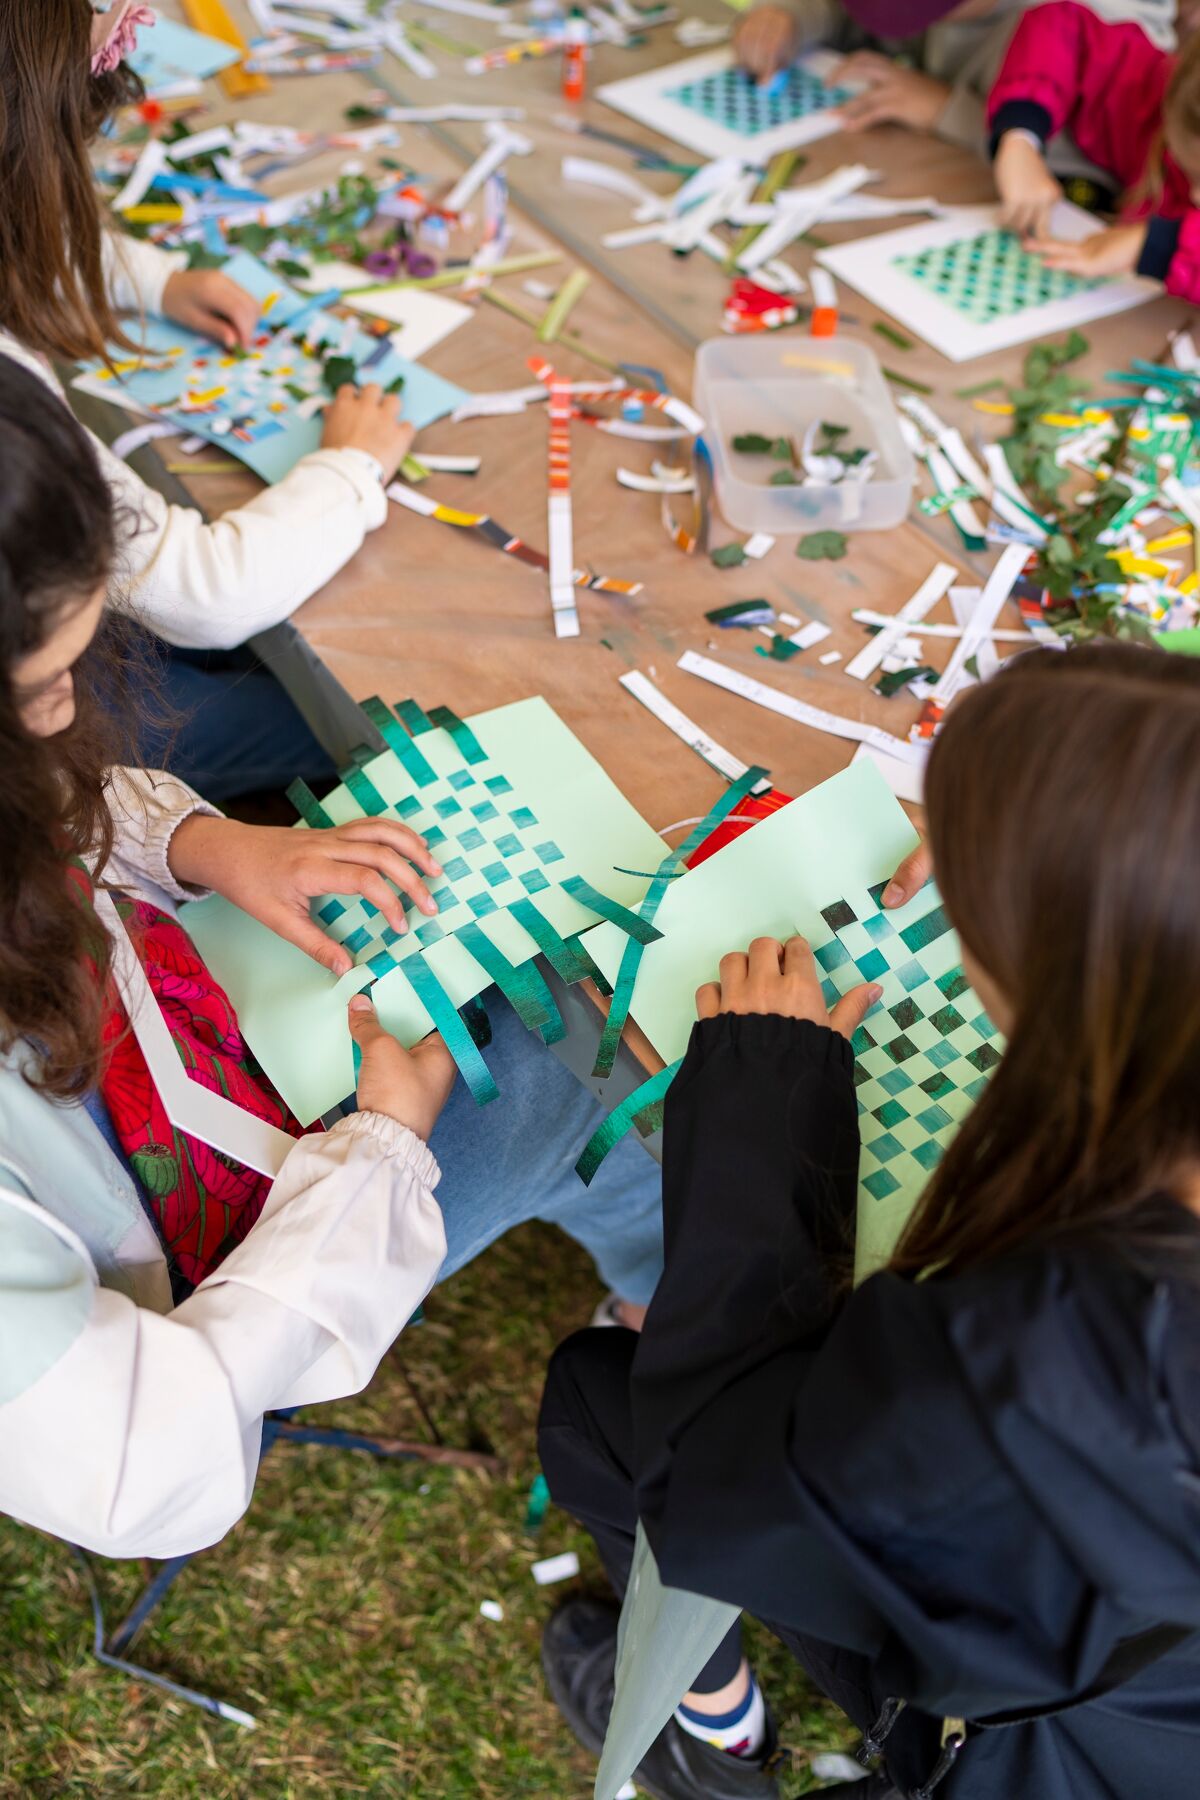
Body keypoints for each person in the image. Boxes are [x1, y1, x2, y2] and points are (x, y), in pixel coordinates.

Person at [0, 357, 664, 1554]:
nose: (63, 719)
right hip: (200, 1280)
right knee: (586, 1054)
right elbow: (152, 1467)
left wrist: (205, 844)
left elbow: (50, 797)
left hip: (153, 1055)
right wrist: (383, 1153)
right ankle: (661, 1294)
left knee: (520, 983)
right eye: (44, 684)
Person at [537, 643, 1200, 1800]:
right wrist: (1054, 855)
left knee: (603, 1405)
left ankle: (714, 1739)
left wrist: (765, 1086)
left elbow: (712, 1484)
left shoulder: (1062, 1357)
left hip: (1044, 1744)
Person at [0, 0, 414, 801]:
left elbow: (20, 222)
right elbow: (208, 594)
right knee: (327, 718)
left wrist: (154, 280)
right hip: (40, 717)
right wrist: (350, 470)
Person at [734, 0, 1174, 180]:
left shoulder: (1105, 22)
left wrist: (947, 110)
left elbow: (1117, 169)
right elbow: (859, 15)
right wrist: (793, 17)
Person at [989, 2, 1200, 294]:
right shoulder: (1160, 98)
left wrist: (1163, 245)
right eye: (1190, 168)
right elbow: (1062, 26)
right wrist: (1021, 136)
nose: (1195, 194)